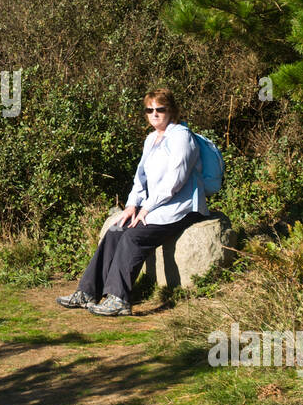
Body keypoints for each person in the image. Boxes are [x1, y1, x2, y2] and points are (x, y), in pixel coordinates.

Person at [59, 88, 209, 317]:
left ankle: (119, 299)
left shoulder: (181, 137)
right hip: (158, 206)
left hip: (182, 208)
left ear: (172, 111)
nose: (155, 114)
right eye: (150, 110)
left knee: (133, 236)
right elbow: (140, 178)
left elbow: (174, 181)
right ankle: (87, 293)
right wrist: (131, 205)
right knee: (115, 230)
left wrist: (146, 208)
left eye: (160, 109)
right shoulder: (151, 140)